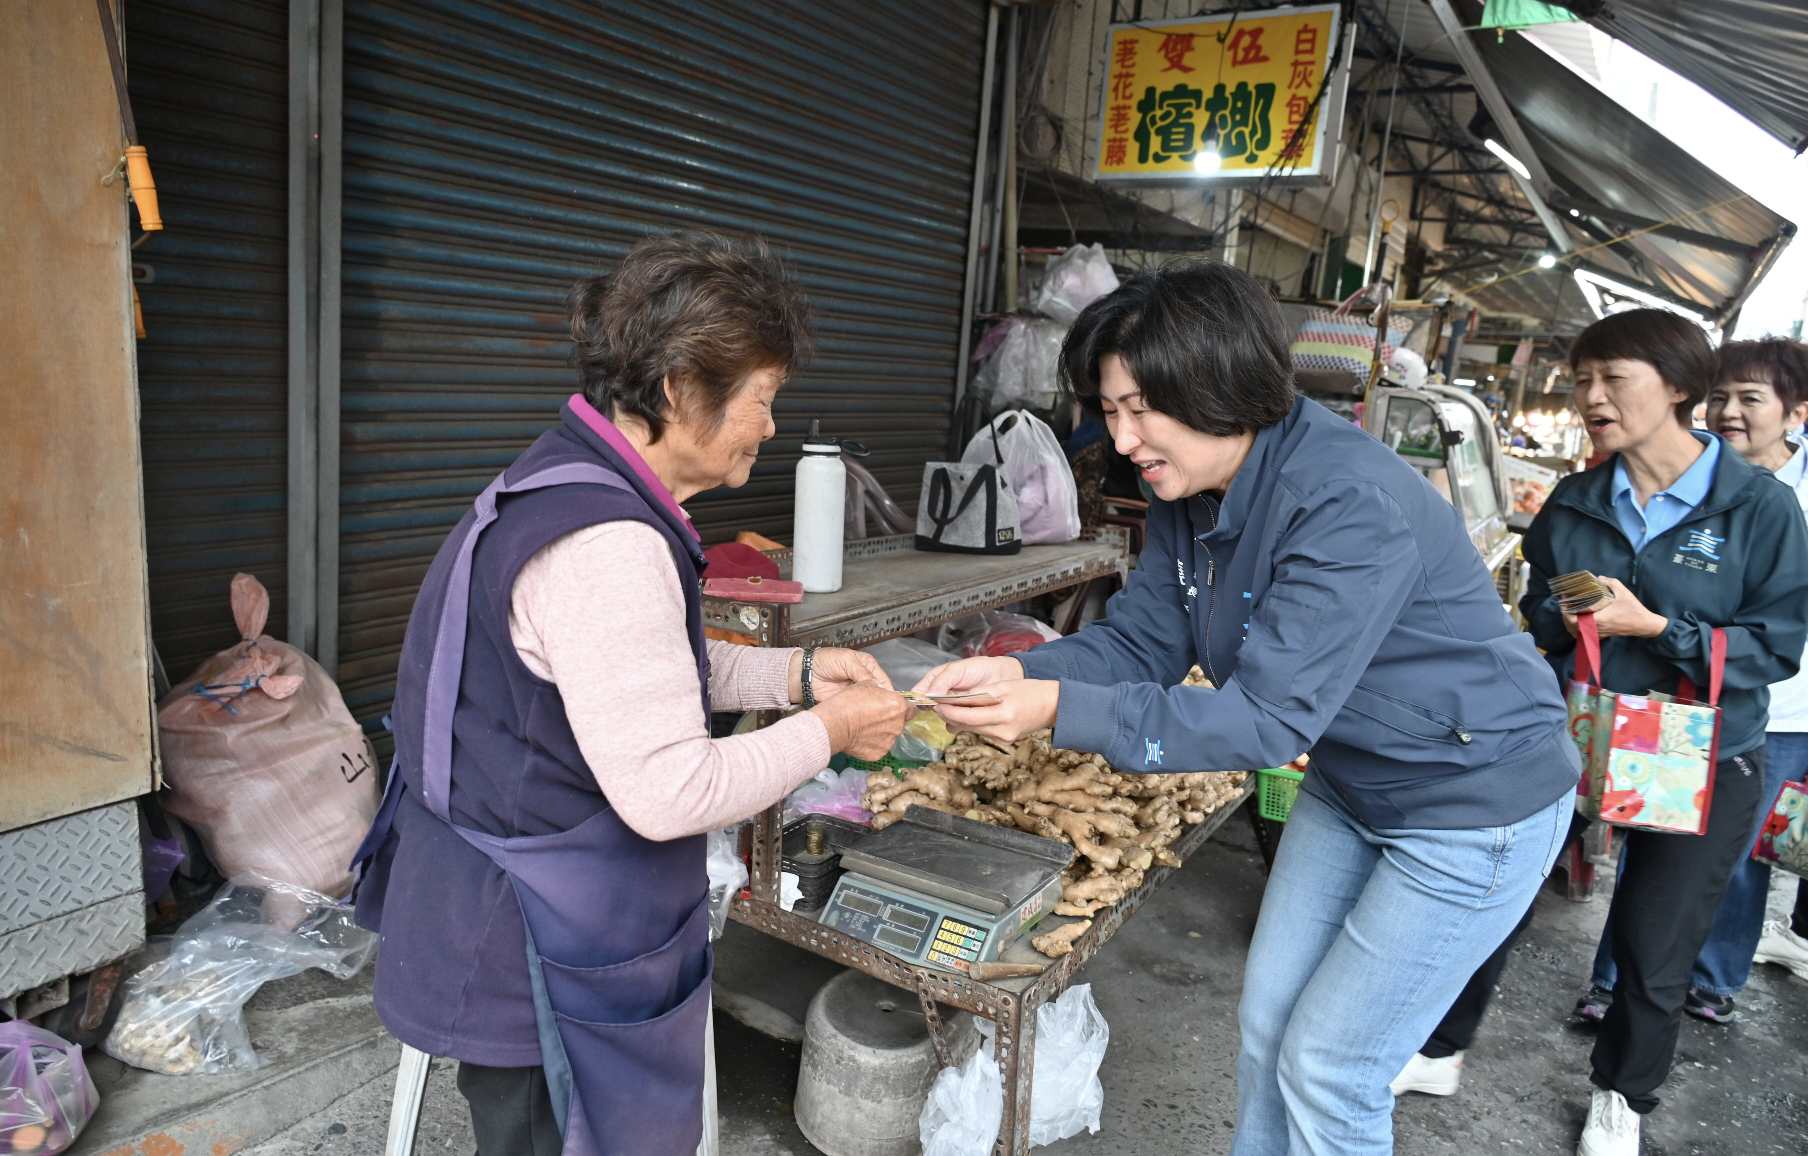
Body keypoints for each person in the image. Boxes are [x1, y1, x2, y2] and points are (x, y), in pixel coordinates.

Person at [915, 260, 1578, 1156]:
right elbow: (1143, 641)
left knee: (1331, 1068)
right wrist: (1028, 674)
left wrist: (1058, 711)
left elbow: (1267, 720)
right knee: (1269, 1027)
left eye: (1141, 407)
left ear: (1223, 385)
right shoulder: (1192, 490)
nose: (1124, 437)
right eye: (1109, 410)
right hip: (1356, 779)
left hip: (1474, 802)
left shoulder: (1346, 502)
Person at [348, 232, 912, 1155]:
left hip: (500, 903)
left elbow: (643, 672)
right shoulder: (608, 544)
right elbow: (670, 792)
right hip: (531, 950)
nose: (769, 427)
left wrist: (800, 675)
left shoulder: (567, 477)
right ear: (683, 390)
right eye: (762, 400)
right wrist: (831, 726)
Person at [1509, 310, 1806, 1155]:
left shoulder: (1758, 509)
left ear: (1680, 389)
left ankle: (1621, 1096)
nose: (1592, 398)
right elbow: (1539, 607)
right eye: (1582, 381)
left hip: (1705, 752)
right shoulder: (1575, 498)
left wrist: (1656, 628)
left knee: (1657, 937)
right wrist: (1567, 619)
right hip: (1579, 733)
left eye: (1614, 380)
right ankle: (1440, 1045)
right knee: (1489, 891)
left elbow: (1775, 646)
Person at [1574, 337, 1808, 1022]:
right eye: (1722, 397)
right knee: (1648, 836)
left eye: (1750, 399)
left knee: (1735, 859)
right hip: (1670, 695)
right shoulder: (1680, 479)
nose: (1730, 413)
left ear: (1796, 411)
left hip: (1778, 708)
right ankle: (1614, 982)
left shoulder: (1782, 502)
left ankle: (1712, 979)